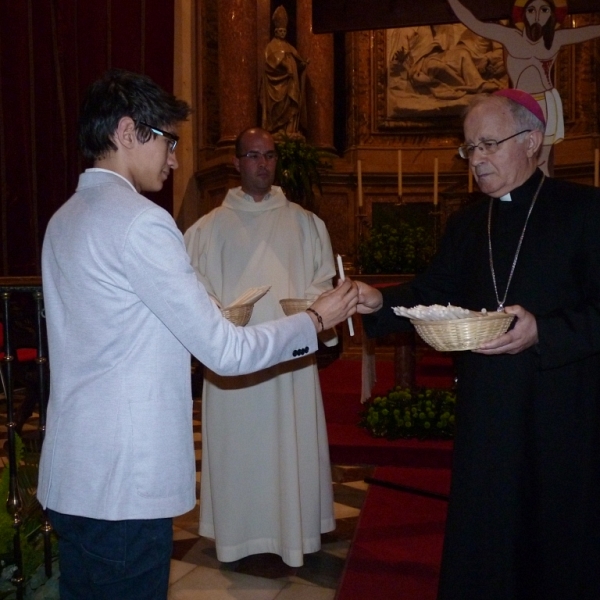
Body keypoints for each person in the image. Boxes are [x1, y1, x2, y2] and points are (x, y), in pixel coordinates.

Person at [37, 70, 358, 600]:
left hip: (74, 475)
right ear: (125, 131)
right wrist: (315, 321)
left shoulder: (66, 218)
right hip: (125, 482)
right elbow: (226, 352)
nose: (175, 158)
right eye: (168, 140)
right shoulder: (142, 222)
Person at [356, 88, 600, 599]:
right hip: (488, 412)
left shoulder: (584, 211)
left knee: (557, 540)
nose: (477, 159)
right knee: (487, 538)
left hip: (562, 412)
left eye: (489, 144)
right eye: (470, 148)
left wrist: (545, 331)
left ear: (532, 141)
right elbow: (431, 293)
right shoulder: (469, 223)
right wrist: (377, 301)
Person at [184, 126, 338, 568]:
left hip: (291, 361)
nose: (262, 164)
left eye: (269, 155)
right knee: (240, 451)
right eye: (252, 156)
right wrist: (219, 313)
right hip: (235, 365)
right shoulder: (205, 230)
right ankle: (238, 537)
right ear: (236, 162)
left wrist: (306, 307)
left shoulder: (307, 224)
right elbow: (193, 292)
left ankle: (297, 532)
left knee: (290, 442)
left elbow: (321, 283)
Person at [447, 0, 600, 175]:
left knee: (542, 158)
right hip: (518, 107)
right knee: (514, 157)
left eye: (544, 10)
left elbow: (591, 31)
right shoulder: (511, 37)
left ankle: (542, 200)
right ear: (523, 14)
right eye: (531, 10)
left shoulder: (555, 40)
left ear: (552, 15)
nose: (537, 15)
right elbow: (475, 24)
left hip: (546, 102)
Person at [260, 5, 308, 135]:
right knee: (278, 106)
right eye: (280, 31)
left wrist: (301, 66)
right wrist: (283, 66)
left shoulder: (289, 47)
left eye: (284, 31)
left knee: (291, 103)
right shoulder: (271, 46)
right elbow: (269, 63)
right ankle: (277, 128)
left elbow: (297, 62)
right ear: (276, 32)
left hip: (291, 81)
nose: (282, 33)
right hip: (277, 83)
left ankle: (290, 130)